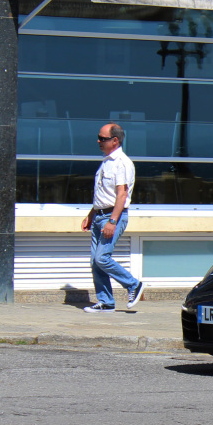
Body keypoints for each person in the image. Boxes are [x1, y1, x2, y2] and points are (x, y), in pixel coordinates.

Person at [81, 123, 143, 313]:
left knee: (102, 258)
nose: (98, 141)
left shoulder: (122, 163)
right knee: (95, 261)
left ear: (115, 140)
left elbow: (121, 195)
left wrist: (113, 221)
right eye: (99, 137)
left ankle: (133, 285)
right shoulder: (106, 161)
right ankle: (106, 302)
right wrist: (92, 214)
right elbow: (103, 193)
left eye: (103, 138)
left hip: (112, 216)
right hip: (100, 215)